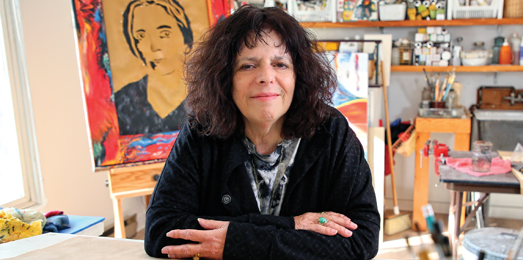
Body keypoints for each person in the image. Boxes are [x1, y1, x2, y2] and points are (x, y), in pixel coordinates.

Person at [144, 5, 380, 260]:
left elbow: (362, 239)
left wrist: (234, 241)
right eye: (247, 66)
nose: (266, 77)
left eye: (280, 64)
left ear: (298, 76)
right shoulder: (201, 131)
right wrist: (291, 226)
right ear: (225, 77)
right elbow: (161, 231)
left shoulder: (332, 133)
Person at [114, 0, 193, 135]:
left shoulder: (211, 94)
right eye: (141, 36)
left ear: (185, 38)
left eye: (164, 34)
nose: (153, 47)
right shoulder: (123, 100)